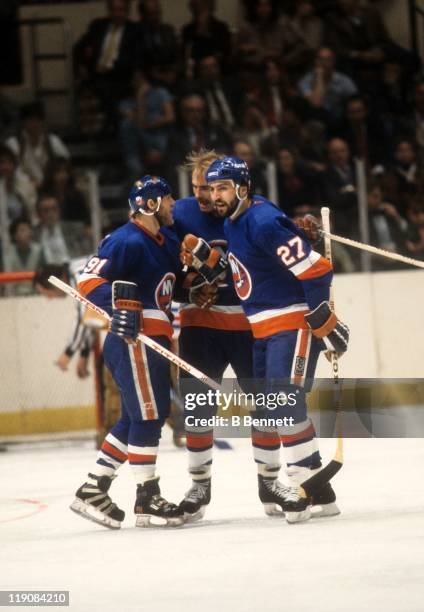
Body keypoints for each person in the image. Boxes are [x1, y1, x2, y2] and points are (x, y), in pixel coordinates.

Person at [203, 156, 349, 523]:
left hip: (292, 325)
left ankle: (301, 485)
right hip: (264, 330)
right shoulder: (236, 221)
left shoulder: (262, 221)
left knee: (284, 403)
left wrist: (321, 318)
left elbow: (316, 270)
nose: (215, 196)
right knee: (271, 407)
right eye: (212, 188)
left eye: (222, 188)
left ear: (241, 187)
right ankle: (322, 493)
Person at [70, 176, 184, 529]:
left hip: (154, 340)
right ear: (150, 204)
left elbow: (176, 286)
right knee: (150, 416)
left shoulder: (165, 241)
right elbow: (88, 283)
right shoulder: (126, 240)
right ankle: (147, 497)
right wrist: (120, 309)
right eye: (166, 199)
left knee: (137, 417)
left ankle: (93, 487)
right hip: (134, 340)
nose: (172, 205)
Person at [172, 150, 255, 522]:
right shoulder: (181, 214)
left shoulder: (251, 210)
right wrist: (187, 289)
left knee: (265, 402)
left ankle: (270, 481)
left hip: (245, 320)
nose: (206, 196)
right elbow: (163, 264)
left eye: (213, 188)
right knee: (196, 403)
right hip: (199, 321)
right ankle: (199, 484)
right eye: (198, 188)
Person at [5, 102, 70, 188]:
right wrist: (28, 182)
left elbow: (65, 164)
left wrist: (51, 179)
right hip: (23, 189)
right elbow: (11, 169)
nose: (35, 124)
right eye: (31, 120)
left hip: (50, 188)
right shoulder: (13, 144)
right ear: (23, 122)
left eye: (38, 120)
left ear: (42, 121)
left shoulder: (53, 141)